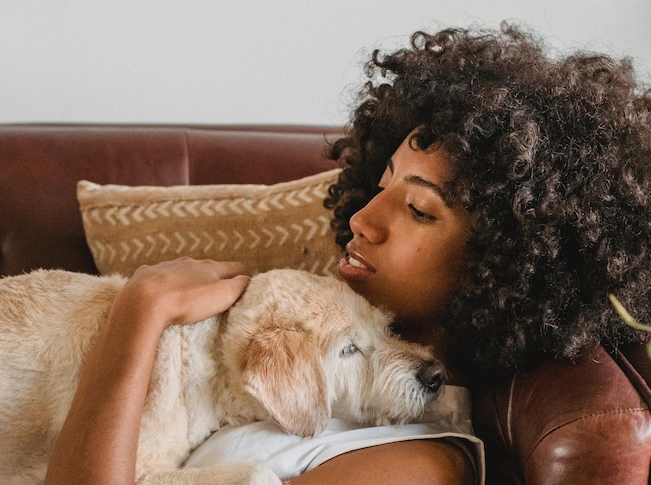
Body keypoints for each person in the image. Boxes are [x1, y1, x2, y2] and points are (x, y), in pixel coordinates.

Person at [43, 22, 651, 484]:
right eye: (382, 184)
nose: (361, 218)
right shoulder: (312, 350)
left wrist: (141, 309)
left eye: (418, 209)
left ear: (505, 262)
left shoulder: (420, 464)